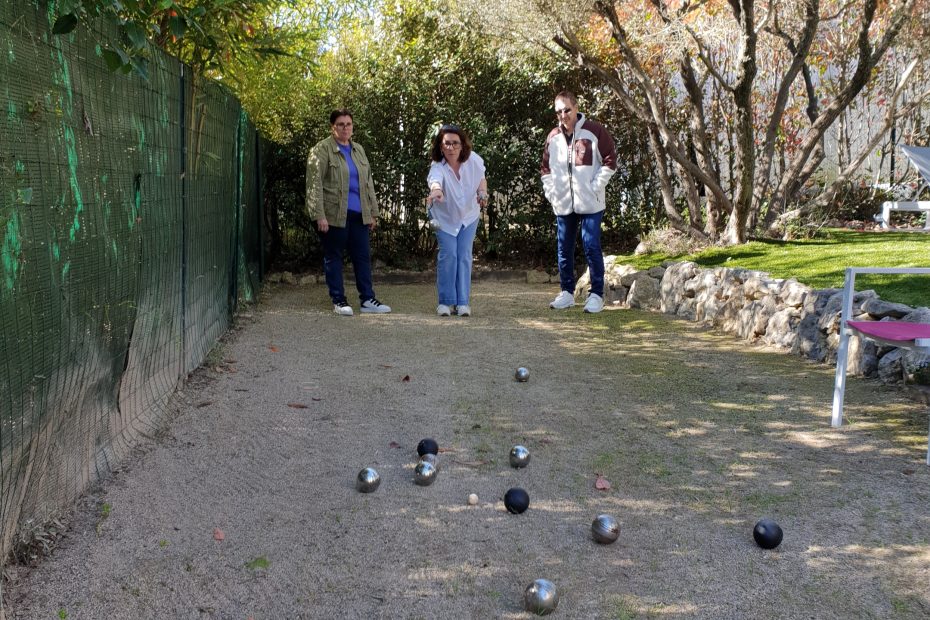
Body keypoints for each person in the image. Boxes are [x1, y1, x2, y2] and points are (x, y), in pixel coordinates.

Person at [306, 109, 391, 316]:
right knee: (334, 257)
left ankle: (367, 300)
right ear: (332, 127)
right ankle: (339, 300)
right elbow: (314, 185)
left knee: (362, 257)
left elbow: (368, 182)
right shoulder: (321, 150)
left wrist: (373, 212)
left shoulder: (358, 149)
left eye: (348, 124)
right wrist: (319, 215)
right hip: (334, 215)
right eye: (341, 124)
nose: (345, 128)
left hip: (359, 214)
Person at [540, 90, 617, 314]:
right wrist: (552, 193)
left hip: (591, 202)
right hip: (563, 202)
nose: (563, 115)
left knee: (591, 245)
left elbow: (610, 160)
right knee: (564, 248)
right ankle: (566, 293)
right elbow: (545, 169)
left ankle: (596, 295)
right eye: (558, 112)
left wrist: (595, 186)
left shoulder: (594, 131)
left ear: (576, 108)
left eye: (567, 110)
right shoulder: (553, 136)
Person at [426, 125, 488, 317]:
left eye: (455, 143)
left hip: (468, 216)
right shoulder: (437, 166)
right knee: (449, 254)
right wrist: (437, 191)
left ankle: (462, 303)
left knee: (464, 255)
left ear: (462, 145)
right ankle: (445, 302)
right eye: (447, 143)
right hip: (443, 218)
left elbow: (481, 178)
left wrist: (482, 193)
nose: (451, 147)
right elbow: (435, 182)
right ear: (441, 146)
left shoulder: (474, 160)